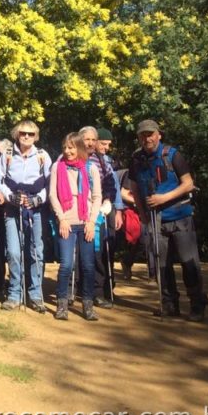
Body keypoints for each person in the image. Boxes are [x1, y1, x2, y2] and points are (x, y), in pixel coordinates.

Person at [123, 120, 208, 322]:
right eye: (143, 135)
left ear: (159, 135)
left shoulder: (172, 155)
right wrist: (142, 214)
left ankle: (197, 304)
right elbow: (134, 187)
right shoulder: (136, 159)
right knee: (162, 264)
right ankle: (169, 304)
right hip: (155, 219)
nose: (147, 138)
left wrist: (164, 198)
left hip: (180, 216)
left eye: (150, 134)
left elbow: (188, 184)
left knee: (189, 263)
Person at [0, 120, 51, 312]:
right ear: (17, 134)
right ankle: (14, 294)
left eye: (31, 134)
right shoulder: (7, 155)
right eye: (23, 133)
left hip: (35, 210)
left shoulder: (43, 156)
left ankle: (35, 295)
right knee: (14, 252)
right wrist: (10, 196)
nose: (26, 137)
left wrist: (38, 200)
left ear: (36, 136)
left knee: (36, 252)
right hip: (13, 208)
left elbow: (50, 184)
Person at [49, 132, 102, 321]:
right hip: (67, 222)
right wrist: (61, 218)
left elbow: (96, 197)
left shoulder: (91, 168)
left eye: (71, 147)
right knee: (66, 265)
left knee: (88, 266)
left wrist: (92, 221)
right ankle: (62, 303)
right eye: (64, 147)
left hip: (86, 221)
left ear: (79, 147)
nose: (67, 151)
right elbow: (53, 195)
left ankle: (87, 304)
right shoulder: (57, 166)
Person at [83, 126, 125, 307]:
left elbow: (111, 184)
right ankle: (87, 289)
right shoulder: (78, 157)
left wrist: (112, 205)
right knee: (89, 251)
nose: (104, 147)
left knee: (103, 250)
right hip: (83, 210)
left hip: (103, 209)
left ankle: (102, 289)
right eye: (103, 143)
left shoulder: (104, 161)